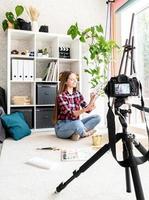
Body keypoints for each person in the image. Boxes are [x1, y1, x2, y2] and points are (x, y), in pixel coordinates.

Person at [53, 71, 101, 141]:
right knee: (77, 123)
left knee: (97, 117)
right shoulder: (61, 96)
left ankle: (76, 133)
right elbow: (70, 114)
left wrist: (92, 99)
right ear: (65, 82)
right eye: (72, 79)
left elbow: (87, 109)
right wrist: (85, 109)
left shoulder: (77, 93)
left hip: (76, 122)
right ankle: (84, 133)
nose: (75, 81)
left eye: (75, 79)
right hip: (62, 127)